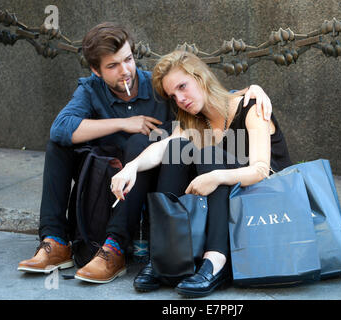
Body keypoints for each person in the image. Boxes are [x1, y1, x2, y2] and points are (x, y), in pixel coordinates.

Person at [17, 22, 274, 284]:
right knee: (59, 144)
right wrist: (124, 129)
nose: (125, 70)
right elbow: (60, 128)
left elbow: (210, 100)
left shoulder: (159, 86)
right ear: (96, 71)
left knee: (157, 144)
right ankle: (56, 241)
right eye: (112, 66)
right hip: (111, 175)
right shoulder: (92, 90)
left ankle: (119, 248)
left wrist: (251, 90)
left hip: (171, 176)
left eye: (127, 59)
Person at [110, 50, 292, 297]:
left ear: (201, 77)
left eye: (183, 87)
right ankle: (167, 254)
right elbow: (161, 147)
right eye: (174, 96)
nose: (180, 99)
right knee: (177, 147)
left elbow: (261, 170)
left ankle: (216, 261)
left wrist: (216, 176)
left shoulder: (250, 106)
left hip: (263, 201)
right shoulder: (197, 122)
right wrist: (132, 166)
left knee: (208, 154)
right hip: (227, 200)